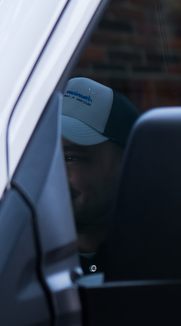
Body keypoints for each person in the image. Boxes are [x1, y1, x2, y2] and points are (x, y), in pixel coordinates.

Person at [60, 76, 139, 284]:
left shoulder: (156, 261)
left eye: (71, 158)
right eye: (47, 155)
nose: (52, 172)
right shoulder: (10, 254)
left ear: (125, 164)